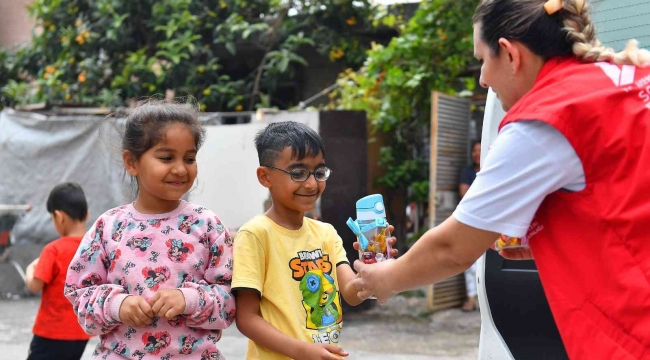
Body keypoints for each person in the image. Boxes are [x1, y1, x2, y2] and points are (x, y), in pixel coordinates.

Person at [351, 0, 650, 359]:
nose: (482, 78)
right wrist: (555, 242)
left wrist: (384, 278)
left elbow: (453, 249)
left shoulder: (547, 117)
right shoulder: (627, 82)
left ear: (509, 54)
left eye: (481, 59)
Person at [64, 101, 235, 359]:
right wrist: (116, 305)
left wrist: (188, 299)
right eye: (166, 157)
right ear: (131, 162)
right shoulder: (109, 228)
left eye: (189, 158)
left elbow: (232, 300)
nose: (180, 168)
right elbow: (79, 295)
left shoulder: (207, 225)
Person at [232, 121, 397, 360]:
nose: (311, 184)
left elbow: (351, 293)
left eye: (319, 172)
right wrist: (304, 352)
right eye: (298, 173)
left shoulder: (326, 233)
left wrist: (373, 266)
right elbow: (246, 318)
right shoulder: (256, 234)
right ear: (265, 177)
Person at [24, 183, 93, 360]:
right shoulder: (94, 249)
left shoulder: (53, 250)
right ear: (87, 215)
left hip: (50, 333)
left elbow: (34, 285)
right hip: (80, 332)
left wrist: (30, 269)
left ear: (59, 217)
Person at [459, 141, 481, 312]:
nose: (477, 153)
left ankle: (483, 302)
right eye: (474, 150)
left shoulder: (493, 169)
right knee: (470, 263)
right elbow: (464, 195)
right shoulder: (467, 172)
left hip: (490, 222)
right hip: (472, 222)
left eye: (480, 150)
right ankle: (471, 299)